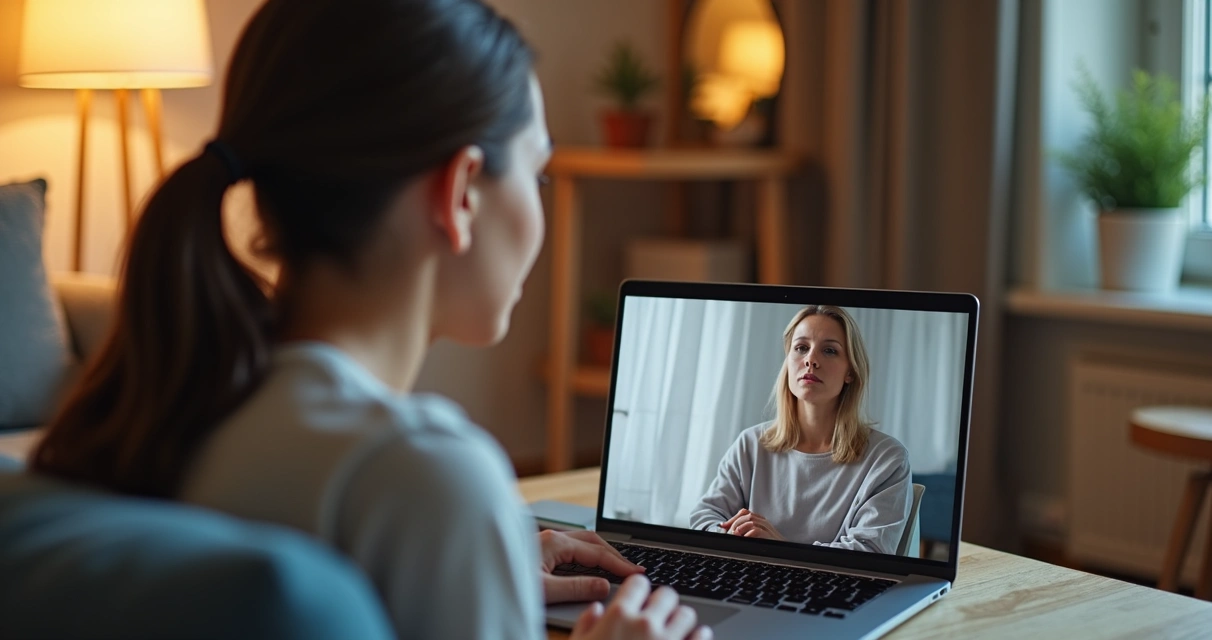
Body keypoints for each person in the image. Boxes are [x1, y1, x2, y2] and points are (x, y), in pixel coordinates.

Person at [29, 1, 710, 638]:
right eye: (536, 175)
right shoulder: (426, 475)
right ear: (461, 193)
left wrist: (474, 567)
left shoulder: (162, 409)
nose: (540, 209)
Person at [689, 305, 911, 555]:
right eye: (801, 348)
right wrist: (730, 536)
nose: (811, 360)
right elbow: (704, 517)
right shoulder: (750, 444)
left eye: (829, 350)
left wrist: (781, 548)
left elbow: (870, 552)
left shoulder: (887, 458)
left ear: (850, 371)